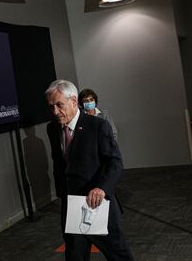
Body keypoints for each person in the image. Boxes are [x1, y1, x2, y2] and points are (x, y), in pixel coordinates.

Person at [45, 79, 134, 261]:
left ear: (74, 101)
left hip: (98, 203)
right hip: (72, 205)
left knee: (117, 254)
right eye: (51, 106)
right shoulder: (52, 128)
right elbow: (59, 163)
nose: (55, 112)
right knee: (75, 254)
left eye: (59, 105)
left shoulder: (98, 126)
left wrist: (102, 188)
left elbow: (115, 163)